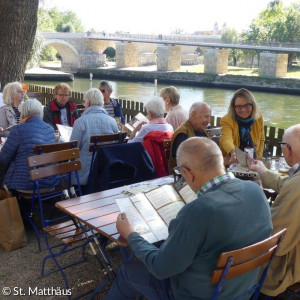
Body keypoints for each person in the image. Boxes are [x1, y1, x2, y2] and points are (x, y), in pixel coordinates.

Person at [105, 137, 272, 300]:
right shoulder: (255, 190)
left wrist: (131, 235)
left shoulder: (197, 211)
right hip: (243, 290)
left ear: (187, 172)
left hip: (195, 294)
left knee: (129, 271)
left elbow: (160, 268)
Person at [248, 124, 300, 297]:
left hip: (291, 267)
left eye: (282, 146)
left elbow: (273, 235)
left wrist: (258, 198)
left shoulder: (297, 186)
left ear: (288, 149)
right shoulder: (295, 182)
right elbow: (287, 184)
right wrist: (262, 171)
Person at [0, 99, 57, 190]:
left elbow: (3, 158)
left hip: (25, 184)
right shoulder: (50, 129)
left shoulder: (18, 129)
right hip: (50, 182)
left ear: (24, 113)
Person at [70, 88, 118, 186]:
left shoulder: (80, 122)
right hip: (106, 171)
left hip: (84, 174)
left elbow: (73, 150)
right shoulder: (112, 121)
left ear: (88, 103)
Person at [219, 88, 265, 161]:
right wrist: (233, 151)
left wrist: (257, 158)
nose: (243, 110)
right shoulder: (227, 120)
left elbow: (262, 139)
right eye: (239, 107)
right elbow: (226, 139)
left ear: (253, 105)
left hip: (253, 161)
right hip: (232, 161)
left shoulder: (258, 117)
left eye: (247, 106)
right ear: (233, 107)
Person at [169, 101, 211, 169]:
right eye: (206, 117)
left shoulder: (201, 131)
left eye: (210, 117)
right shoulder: (183, 134)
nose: (209, 121)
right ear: (193, 114)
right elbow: (185, 164)